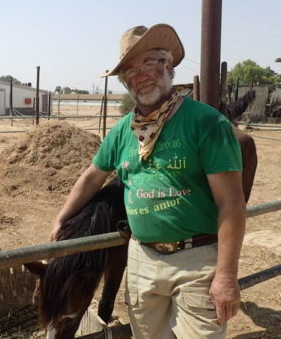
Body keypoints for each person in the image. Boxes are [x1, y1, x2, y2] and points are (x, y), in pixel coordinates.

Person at [51, 24, 246, 338]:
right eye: (129, 69)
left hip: (196, 261)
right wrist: (62, 218)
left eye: (150, 62)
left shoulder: (206, 123)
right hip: (142, 259)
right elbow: (91, 177)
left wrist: (226, 275)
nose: (139, 74)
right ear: (124, 80)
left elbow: (231, 202)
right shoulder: (122, 131)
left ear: (169, 65)